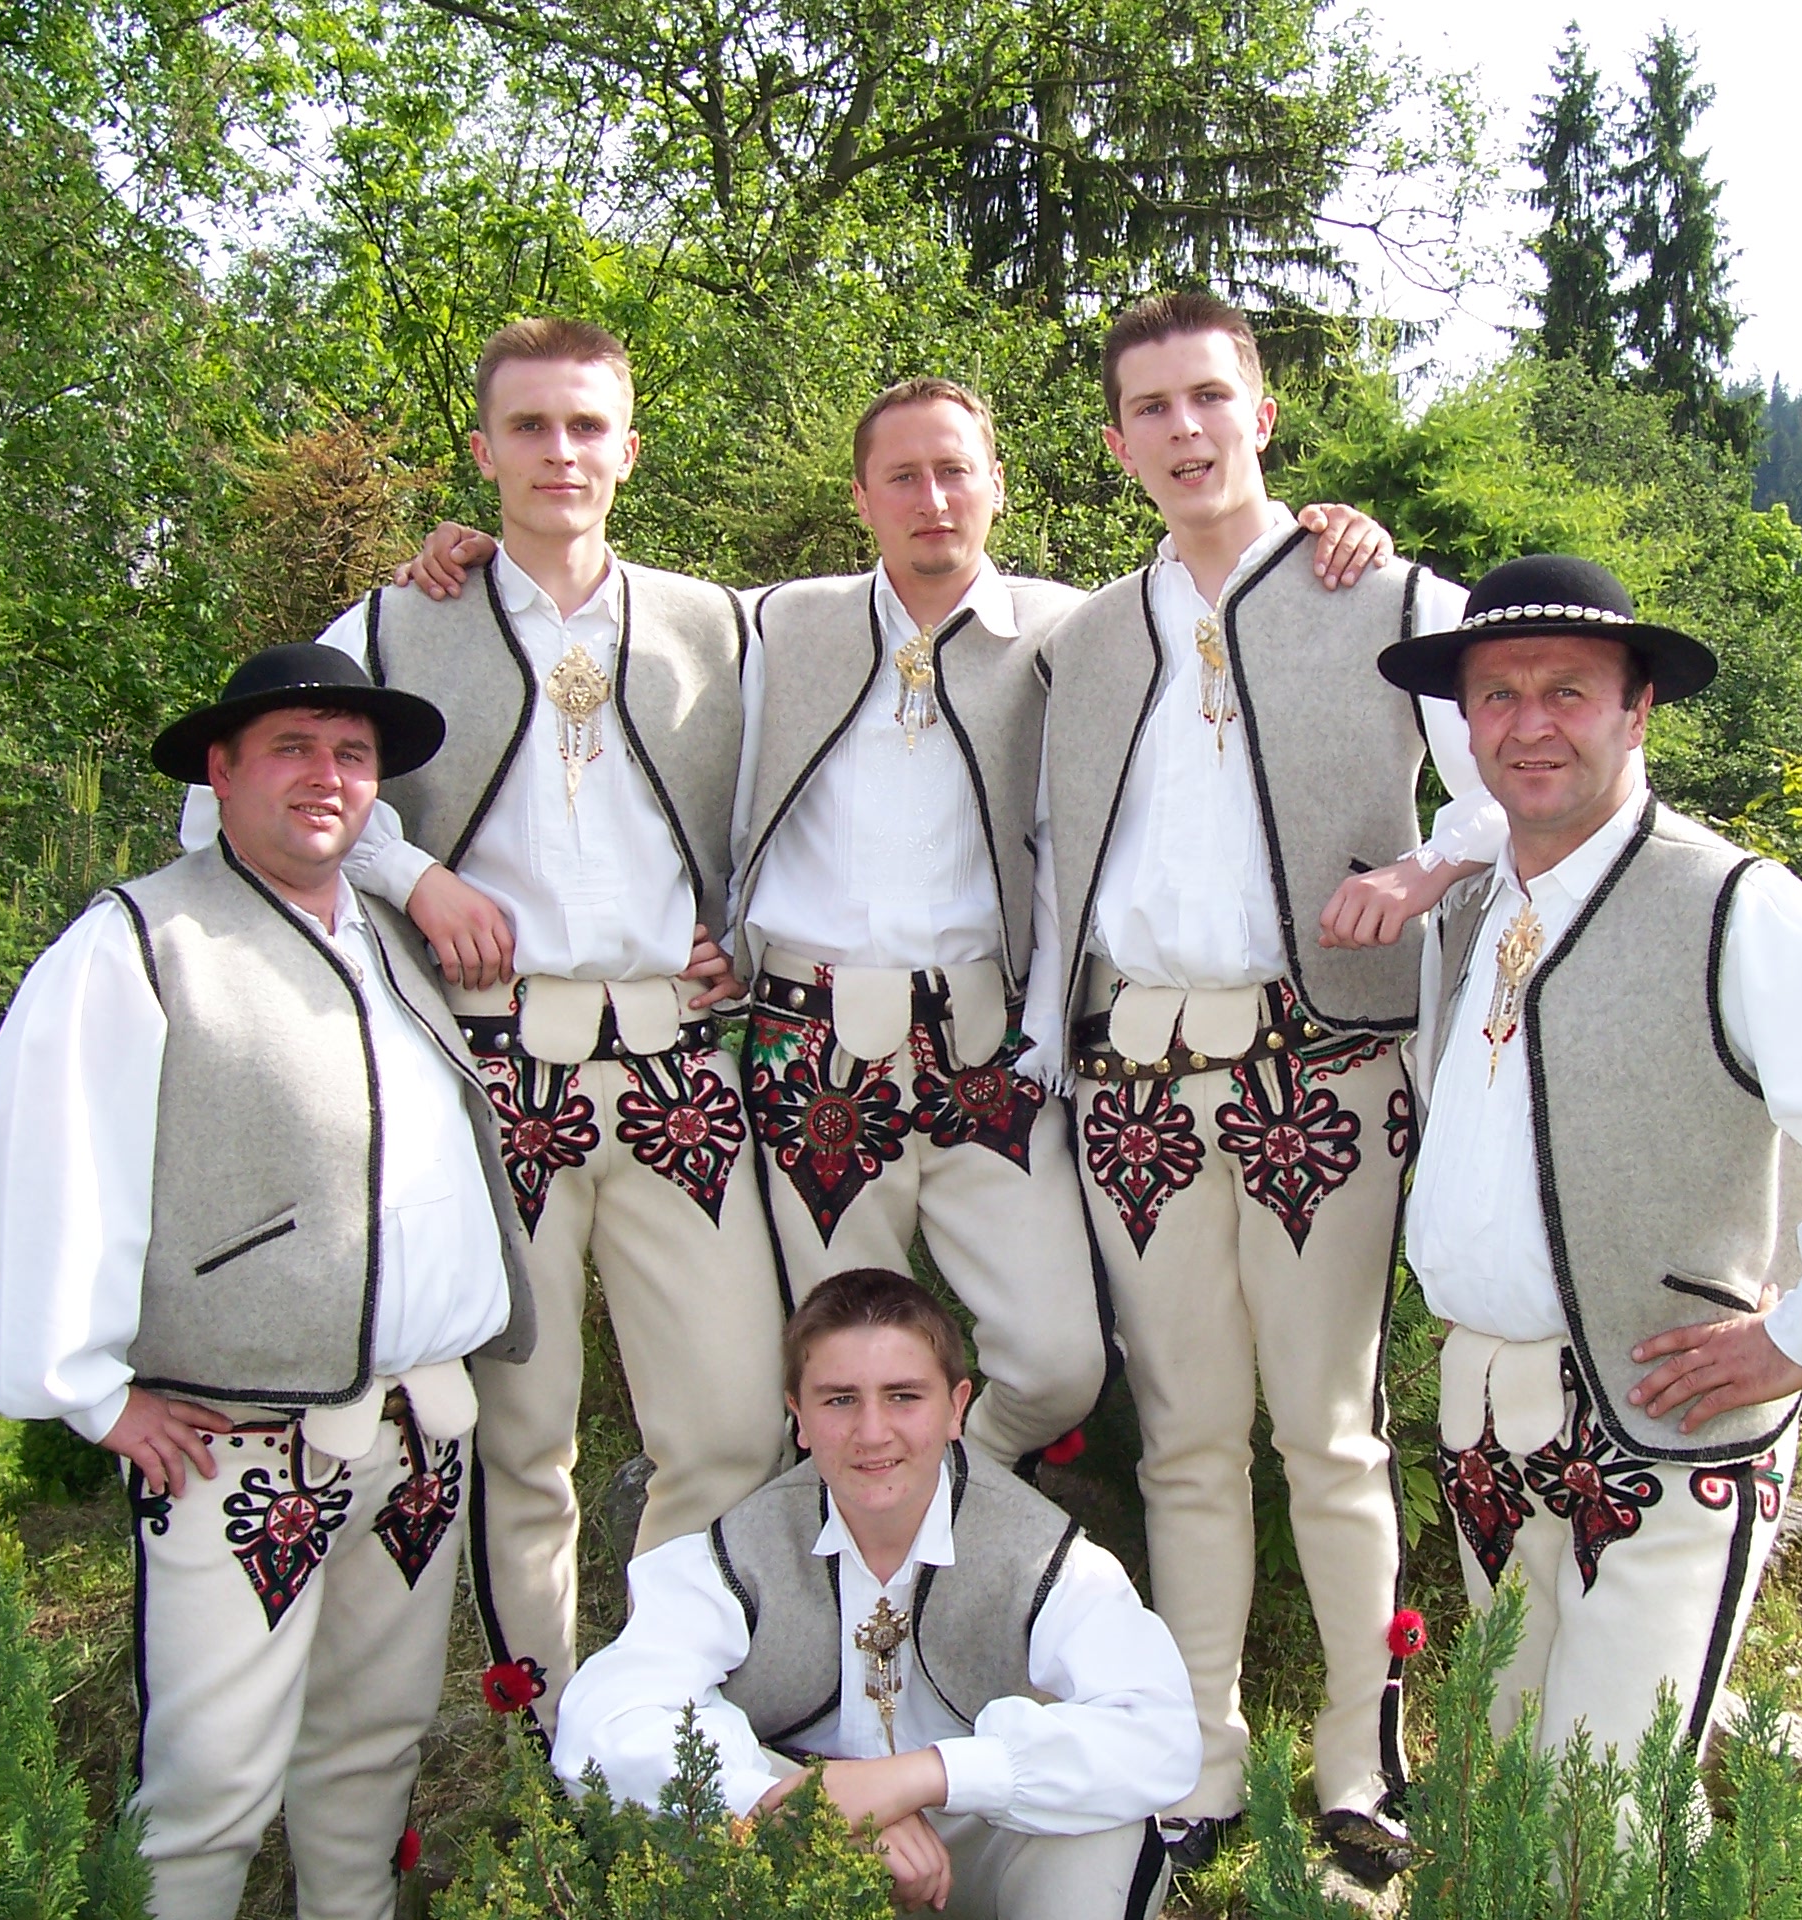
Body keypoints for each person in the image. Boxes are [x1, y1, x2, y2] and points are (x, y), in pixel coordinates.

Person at [393, 377, 1405, 1473]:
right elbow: (618, 653)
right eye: (902, 477)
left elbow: (1201, 615)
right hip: (812, 1049)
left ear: (997, 485)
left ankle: (947, 1494)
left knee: (1059, 1362)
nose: (933, 498)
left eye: (955, 471)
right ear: (862, 498)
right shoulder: (774, 622)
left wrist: (1319, 534)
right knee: (838, 1369)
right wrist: (472, 556)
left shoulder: (1072, 631)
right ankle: (863, 1542)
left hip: (989, 1054)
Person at [180, 317, 784, 1733]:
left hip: (679, 1066)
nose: (560, 452)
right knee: (523, 1439)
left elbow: (821, 792)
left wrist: (744, 934)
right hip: (491, 1067)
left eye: (587, 426)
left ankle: (669, 1721)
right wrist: (411, 875)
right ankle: (548, 1735)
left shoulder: (723, 626)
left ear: (629, 450)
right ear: (483, 450)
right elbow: (228, 801)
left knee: (728, 1423)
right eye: (530, 427)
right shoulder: (397, 626)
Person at [1375, 552, 1802, 1760]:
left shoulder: (1733, 907)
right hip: (1483, 1417)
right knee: (1505, 1772)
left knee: (1597, 1803)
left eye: (1567, 691)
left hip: (1665, 1428)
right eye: (1498, 695)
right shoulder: (1472, 913)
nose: (1529, 724)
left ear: (1637, 711)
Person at [0, 644, 536, 1920]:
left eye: (352, 755)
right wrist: (92, 1394)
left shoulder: (391, 939)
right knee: (209, 1785)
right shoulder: (142, 941)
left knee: (371, 1758)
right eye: (292, 748)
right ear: (220, 772)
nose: (327, 776)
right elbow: (53, 1161)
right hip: (237, 1447)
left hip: (420, 1432)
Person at [1034, 290, 1497, 1884]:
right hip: (1135, 1079)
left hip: (1324, 1068)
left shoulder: (1394, 596)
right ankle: (1201, 1756)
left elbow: (1505, 782)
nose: (1185, 429)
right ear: (1117, 442)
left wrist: (1425, 870)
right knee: (1181, 1439)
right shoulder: (1087, 639)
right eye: (1151, 408)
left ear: (1263, 414)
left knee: (1331, 1429)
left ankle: (1361, 1759)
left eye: (1209, 398)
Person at [553, 1269, 1200, 1920]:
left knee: (1106, 1827)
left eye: (903, 1396)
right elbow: (603, 1722)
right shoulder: (739, 1553)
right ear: (799, 1417)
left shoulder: (1042, 1556)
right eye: (839, 1400)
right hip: (801, 1855)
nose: (872, 1432)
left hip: (983, 1842)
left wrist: (921, 1777)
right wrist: (800, 1805)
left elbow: (1161, 1732)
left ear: (956, 1407)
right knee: (686, 1803)